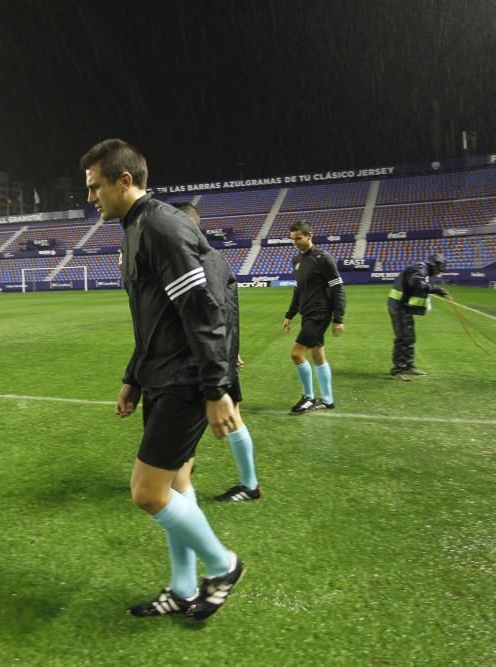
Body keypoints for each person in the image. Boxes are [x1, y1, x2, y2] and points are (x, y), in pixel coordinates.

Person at [80, 139, 245, 622]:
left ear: (124, 181)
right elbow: (156, 319)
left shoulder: (161, 227)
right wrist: (133, 377)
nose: (91, 198)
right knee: (176, 484)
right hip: (162, 375)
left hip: (186, 380)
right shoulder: (137, 229)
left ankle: (223, 565)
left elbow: (202, 311)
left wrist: (216, 389)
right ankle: (182, 586)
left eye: (95, 187)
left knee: (147, 493)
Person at [174, 203, 260, 502]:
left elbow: (208, 315)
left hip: (206, 358)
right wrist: (231, 350)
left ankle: (178, 482)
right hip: (221, 352)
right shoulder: (217, 259)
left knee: (185, 420)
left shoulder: (197, 261)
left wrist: (219, 355)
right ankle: (249, 484)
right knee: (233, 414)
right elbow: (230, 311)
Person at [282, 220, 346, 413]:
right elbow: (298, 290)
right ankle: (327, 400)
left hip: (319, 314)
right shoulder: (297, 260)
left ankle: (309, 397)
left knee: (296, 354)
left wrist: (338, 318)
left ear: (310, 236)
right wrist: (289, 315)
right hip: (307, 313)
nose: (295, 243)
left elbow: (338, 289)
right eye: (292, 239)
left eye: (299, 238)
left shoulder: (323, 258)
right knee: (318, 355)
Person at [386, 253, 449, 381]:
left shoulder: (422, 268)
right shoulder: (421, 268)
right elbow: (416, 282)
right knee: (403, 338)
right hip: (399, 306)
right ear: (434, 265)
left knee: (409, 337)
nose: (437, 274)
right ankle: (398, 370)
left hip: (404, 306)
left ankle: (408, 366)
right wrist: (435, 289)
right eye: (438, 270)